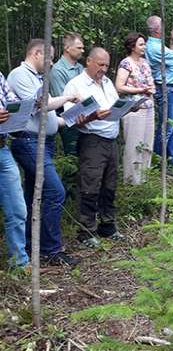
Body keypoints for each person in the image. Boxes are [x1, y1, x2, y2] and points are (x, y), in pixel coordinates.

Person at [7, 39, 81, 266]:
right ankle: (51, 250)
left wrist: (74, 117)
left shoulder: (38, 78)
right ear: (36, 53)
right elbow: (41, 105)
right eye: (48, 57)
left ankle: (32, 243)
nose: (50, 62)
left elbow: (48, 118)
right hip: (28, 142)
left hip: (43, 142)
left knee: (33, 196)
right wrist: (68, 98)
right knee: (55, 191)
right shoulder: (20, 75)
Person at [63, 47, 123, 248]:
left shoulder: (107, 83)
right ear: (88, 61)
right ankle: (86, 231)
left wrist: (128, 108)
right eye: (100, 64)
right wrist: (92, 116)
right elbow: (71, 119)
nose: (104, 69)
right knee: (90, 186)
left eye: (107, 65)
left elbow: (114, 106)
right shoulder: (76, 85)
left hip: (111, 139)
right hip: (92, 141)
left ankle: (108, 225)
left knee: (110, 185)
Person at [145, 15, 173, 169]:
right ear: (158, 30)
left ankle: (172, 160)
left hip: (171, 89)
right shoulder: (155, 47)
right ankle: (160, 162)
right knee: (166, 127)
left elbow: (172, 59)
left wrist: (172, 41)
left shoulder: (158, 46)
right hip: (166, 90)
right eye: (162, 26)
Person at [115, 32, 156, 185]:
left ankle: (143, 180)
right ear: (132, 46)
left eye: (144, 44)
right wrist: (140, 90)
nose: (144, 46)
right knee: (133, 145)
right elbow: (119, 86)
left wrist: (150, 89)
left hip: (149, 107)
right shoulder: (126, 63)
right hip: (133, 109)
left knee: (146, 145)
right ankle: (131, 181)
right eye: (141, 44)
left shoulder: (145, 62)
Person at [0, 71, 29, 269]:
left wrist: (24, 108)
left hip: (2, 148)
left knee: (18, 209)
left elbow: (12, 100)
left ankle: (20, 264)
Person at [50, 32, 84, 156]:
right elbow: (63, 98)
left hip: (84, 116)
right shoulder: (58, 70)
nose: (82, 51)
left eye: (82, 47)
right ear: (67, 48)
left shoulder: (81, 68)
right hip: (68, 118)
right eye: (79, 48)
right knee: (72, 157)